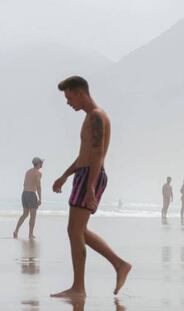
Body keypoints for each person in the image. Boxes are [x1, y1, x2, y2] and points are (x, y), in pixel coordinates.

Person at [51, 76, 131, 299]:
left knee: (74, 231)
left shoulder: (96, 117)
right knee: (78, 230)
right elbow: (84, 155)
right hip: (85, 175)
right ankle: (119, 264)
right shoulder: (90, 117)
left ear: (79, 92)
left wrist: (90, 187)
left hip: (90, 177)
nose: (68, 103)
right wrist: (64, 176)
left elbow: (96, 154)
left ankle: (79, 287)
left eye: (69, 97)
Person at [13, 157, 43, 239]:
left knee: (25, 214)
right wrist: (40, 198)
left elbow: (25, 183)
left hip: (24, 194)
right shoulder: (38, 173)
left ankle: (16, 231)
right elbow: (38, 186)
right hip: (31, 194)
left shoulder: (28, 172)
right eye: (41, 162)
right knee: (33, 216)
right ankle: (30, 234)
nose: (42, 164)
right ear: (37, 163)